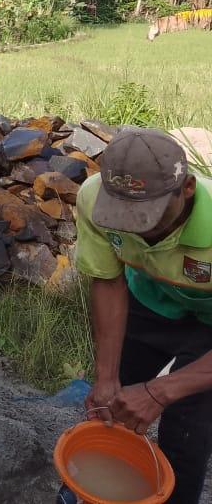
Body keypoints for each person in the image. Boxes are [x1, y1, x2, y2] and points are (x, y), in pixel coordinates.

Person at [73, 128, 212, 504]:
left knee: (186, 422)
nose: (130, 225)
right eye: (122, 212)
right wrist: (106, 376)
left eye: (146, 214)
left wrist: (160, 391)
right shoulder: (92, 199)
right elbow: (107, 282)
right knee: (112, 406)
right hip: (151, 297)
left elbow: (163, 393)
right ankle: (90, 493)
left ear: (186, 188)